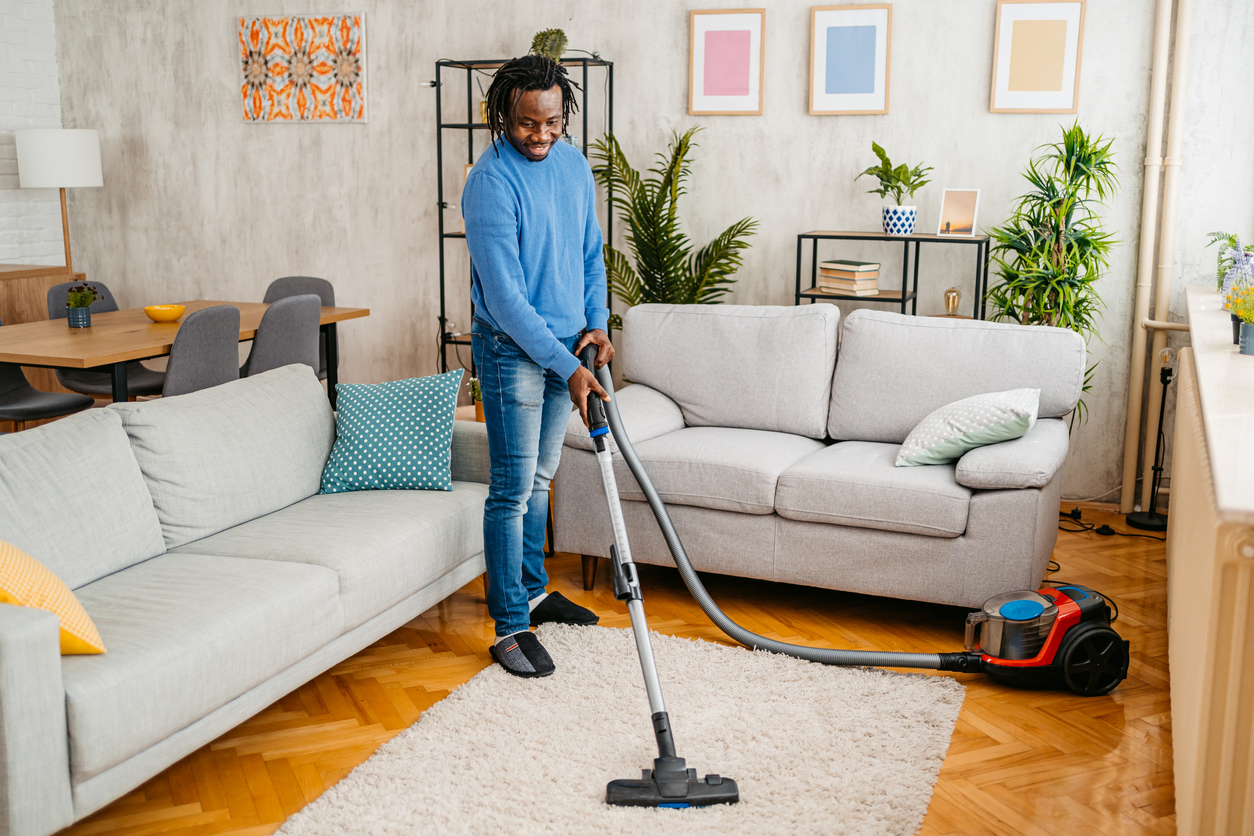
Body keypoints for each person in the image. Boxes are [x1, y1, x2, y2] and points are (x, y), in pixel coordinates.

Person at [462, 54, 613, 678]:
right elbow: (504, 300)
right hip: (511, 350)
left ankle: (533, 590)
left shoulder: (574, 166)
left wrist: (597, 323)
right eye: (528, 124)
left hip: (564, 348)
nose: (542, 135)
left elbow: (589, 254)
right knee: (512, 487)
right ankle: (509, 627)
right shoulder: (489, 184)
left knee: (544, 476)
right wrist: (566, 365)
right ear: (504, 117)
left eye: (552, 122)